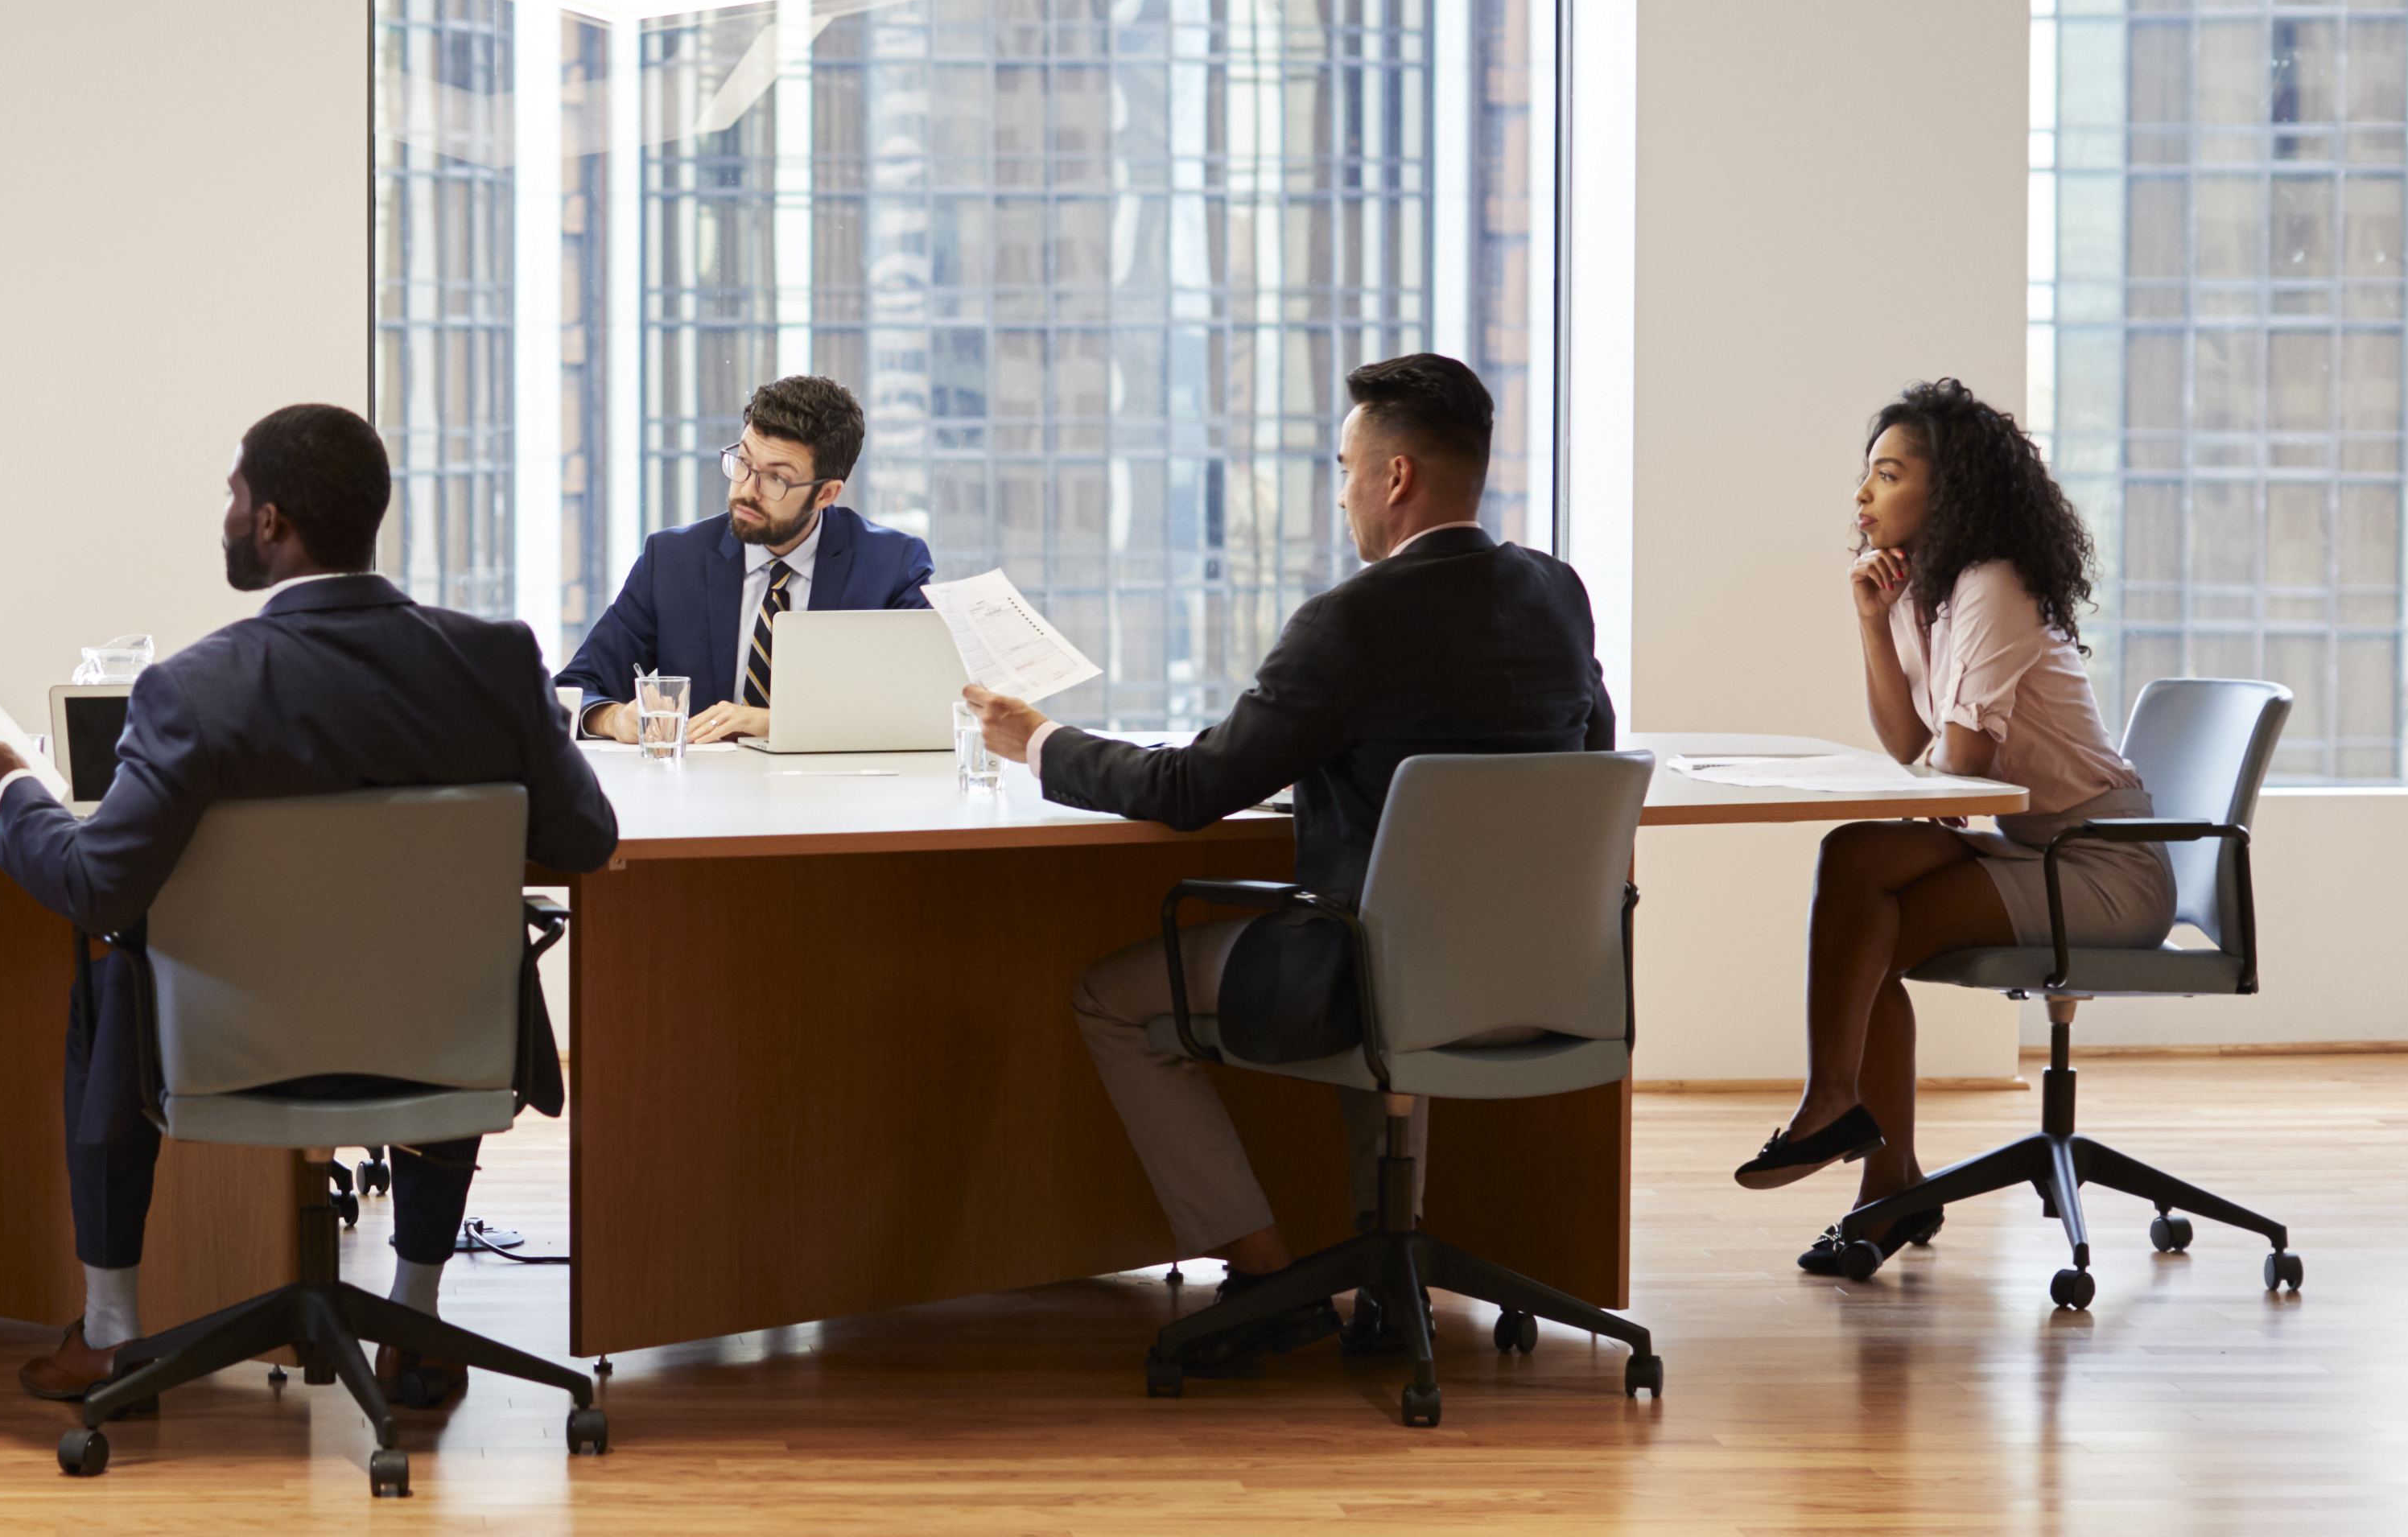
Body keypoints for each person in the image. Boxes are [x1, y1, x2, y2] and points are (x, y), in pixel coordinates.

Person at [0, 403, 623, 1408]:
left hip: (226, 1055)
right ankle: (418, 1320)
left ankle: (109, 1332)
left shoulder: (193, 690)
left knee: (107, 963)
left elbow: (98, 883)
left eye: (233, 494)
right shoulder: (491, 663)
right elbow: (587, 840)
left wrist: (14, 791)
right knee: (451, 958)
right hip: (444, 1047)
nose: (226, 513)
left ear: (271, 522)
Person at [964, 354, 1614, 1347]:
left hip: (1378, 977)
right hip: (1543, 977)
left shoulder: (1351, 621)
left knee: (1114, 997)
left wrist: (1039, 741)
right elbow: (1586, 752)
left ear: (1394, 478)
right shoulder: (1556, 593)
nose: (1341, 489)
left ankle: (1268, 1273)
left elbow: (1188, 790)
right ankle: (1392, 1280)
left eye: (1346, 464)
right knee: (1403, 952)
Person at [1733, 377, 2173, 1273]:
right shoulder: (1921, 591)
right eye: (1867, 475)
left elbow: (1956, 775)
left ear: (1950, 492)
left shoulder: (1992, 584)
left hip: (2103, 866)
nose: (1863, 495)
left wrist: (1930, 791)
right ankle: (1882, 1180)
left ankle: (1839, 1116)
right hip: (2032, 847)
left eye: (1888, 474)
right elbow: (1909, 743)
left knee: (1860, 869)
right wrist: (1869, 617)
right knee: (1861, 882)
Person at [555, 373, 934, 744]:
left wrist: (772, 722)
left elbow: (924, 702)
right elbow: (575, 689)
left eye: (776, 479)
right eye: (743, 462)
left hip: (833, 797)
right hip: (702, 797)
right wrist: (616, 719)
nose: (746, 490)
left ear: (826, 494)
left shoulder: (892, 567)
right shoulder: (672, 561)